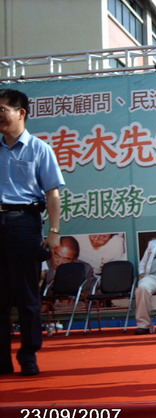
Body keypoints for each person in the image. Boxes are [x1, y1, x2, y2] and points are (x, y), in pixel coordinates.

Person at [0, 88, 64, 376]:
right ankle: (2, 361)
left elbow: (52, 194)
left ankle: (28, 356)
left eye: (2, 110)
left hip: (23, 223)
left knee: (27, 295)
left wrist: (54, 231)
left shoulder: (40, 149)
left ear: (21, 113)